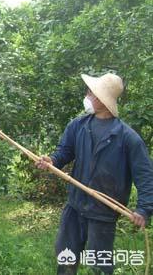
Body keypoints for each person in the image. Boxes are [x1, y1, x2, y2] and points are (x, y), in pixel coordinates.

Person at [35, 73, 153, 274]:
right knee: (65, 257)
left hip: (104, 210)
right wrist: (52, 160)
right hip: (75, 204)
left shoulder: (127, 138)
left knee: (99, 265)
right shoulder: (78, 126)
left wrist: (144, 209)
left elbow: (145, 176)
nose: (87, 95)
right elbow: (65, 151)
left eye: (91, 92)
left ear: (103, 99)